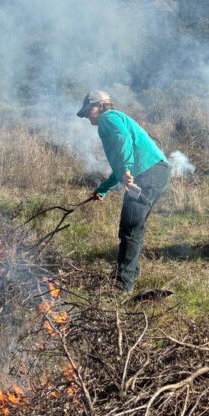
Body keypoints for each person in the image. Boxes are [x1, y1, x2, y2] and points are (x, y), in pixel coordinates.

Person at [77, 91, 172, 291]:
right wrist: (102, 190)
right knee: (134, 226)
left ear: (101, 106)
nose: (88, 117)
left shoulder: (107, 118)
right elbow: (118, 169)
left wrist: (128, 168)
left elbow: (122, 140)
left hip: (147, 173)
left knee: (129, 228)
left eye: (88, 111)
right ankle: (130, 274)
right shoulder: (114, 118)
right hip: (156, 172)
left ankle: (122, 285)